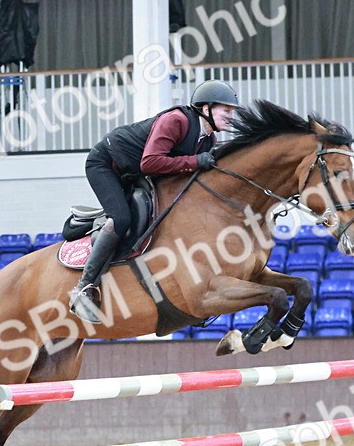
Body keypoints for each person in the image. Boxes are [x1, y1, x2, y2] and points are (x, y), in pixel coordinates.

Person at [69, 79, 241, 322]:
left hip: (135, 172)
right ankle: (83, 290)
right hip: (106, 164)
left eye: (232, 111)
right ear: (206, 108)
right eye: (227, 110)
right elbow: (149, 162)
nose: (231, 116)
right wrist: (194, 162)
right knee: (121, 218)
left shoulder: (208, 139)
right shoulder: (176, 121)